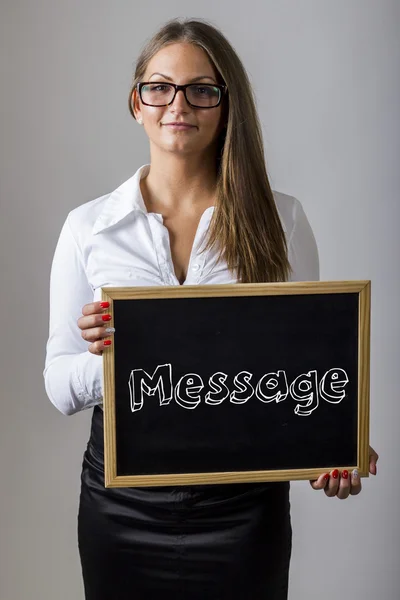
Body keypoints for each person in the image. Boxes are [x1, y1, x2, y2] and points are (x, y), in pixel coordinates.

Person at [44, 17, 378, 600]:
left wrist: (333, 446)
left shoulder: (282, 219)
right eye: (160, 87)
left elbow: (303, 373)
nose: (178, 104)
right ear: (136, 103)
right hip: (119, 506)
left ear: (227, 106)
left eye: (202, 89)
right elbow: (57, 382)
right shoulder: (88, 227)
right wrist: (112, 359)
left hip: (244, 510)